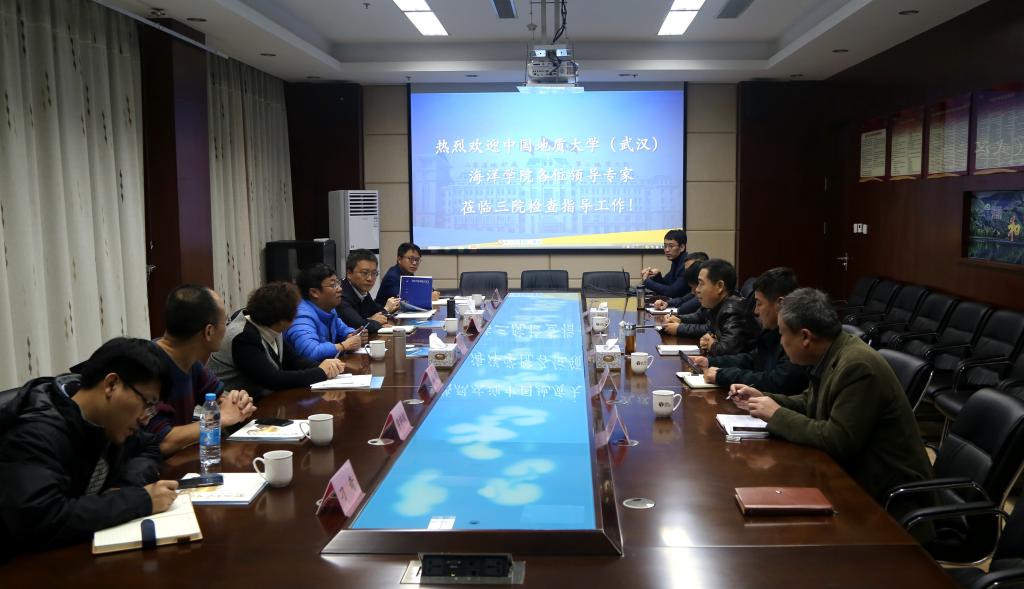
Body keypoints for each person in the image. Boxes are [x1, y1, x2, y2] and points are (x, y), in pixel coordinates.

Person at [731, 288, 933, 508]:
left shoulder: (857, 366)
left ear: (805, 337)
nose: (780, 342)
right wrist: (763, 399)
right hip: (855, 476)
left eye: (782, 334)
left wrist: (776, 414)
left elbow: (837, 440)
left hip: (887, 497)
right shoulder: (832, 353)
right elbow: (810, 402)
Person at [0, 338, 180, 553]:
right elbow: (40, 518)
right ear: (111, 385)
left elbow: (149, 445)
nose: (145, 419)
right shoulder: (35, 434)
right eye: (147, 403)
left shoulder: (108, 421)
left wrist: (126, 486)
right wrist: (139, 500)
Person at [147, 285, 257, 456]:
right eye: (226, 322)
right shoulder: (149, 367)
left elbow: (219, 398)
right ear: (209, 331)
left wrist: (238, 401)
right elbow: (161, 442)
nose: (227, 328)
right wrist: (219, 419)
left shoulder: (190, 362)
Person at [207, 282, 345, 399]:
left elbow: (293, 361)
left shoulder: (270, 323)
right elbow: (273, 379)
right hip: (226, 405)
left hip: (257, 400)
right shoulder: (243, 337)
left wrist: (326, 366)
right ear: (282, 320)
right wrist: (320, 372)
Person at [690, 267, 807, 393]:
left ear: (780, 304)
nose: (756, 311)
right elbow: (752, 359)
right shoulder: (771, 332)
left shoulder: (796, 337)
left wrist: (723, 376)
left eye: (759, 303)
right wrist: (710, 362)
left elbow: (777, 381)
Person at [665, 259, 758, 355]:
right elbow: (702, 320)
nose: (697, 290)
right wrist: (679, 319)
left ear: (720, 286)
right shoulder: (715, 303)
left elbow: (728, 350)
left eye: (701, 284)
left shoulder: (732, 311)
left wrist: (712, 345)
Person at [285, 263, 365, 362]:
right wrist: (343, 346)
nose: (340, 289)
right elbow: (310, 353)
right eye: (333, 285)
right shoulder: (301, 317)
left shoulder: (328, 308)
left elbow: (341, 329)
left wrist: (351, 335)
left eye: (338, 283)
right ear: (314, 292)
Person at [339, 249, 400, 334]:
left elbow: (377, 310)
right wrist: (372, 321)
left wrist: (371, 320)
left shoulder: (362, 290)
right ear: (349, 273)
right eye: (365, 273)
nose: (370, 278)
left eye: (374, 273)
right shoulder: (340, 295)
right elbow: (359, 325)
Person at [375, 242, 440, 308]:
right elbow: (404, 299)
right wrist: (427, 297)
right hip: (384, 313)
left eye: (417, 259)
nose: (414, 263)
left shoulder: (408, 273)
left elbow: (418, 289)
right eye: (411, 259)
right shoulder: (392, 276)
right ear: (399, 259)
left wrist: (431, 291)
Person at [640, 228, 689, 298]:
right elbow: (667, 284)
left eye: (671, 246)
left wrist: (647, 281)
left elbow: (672, 292)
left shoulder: (687, 265)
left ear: (682, 247)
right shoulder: (676, 261)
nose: (667, 250)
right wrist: (657, 276)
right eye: (665, 246)